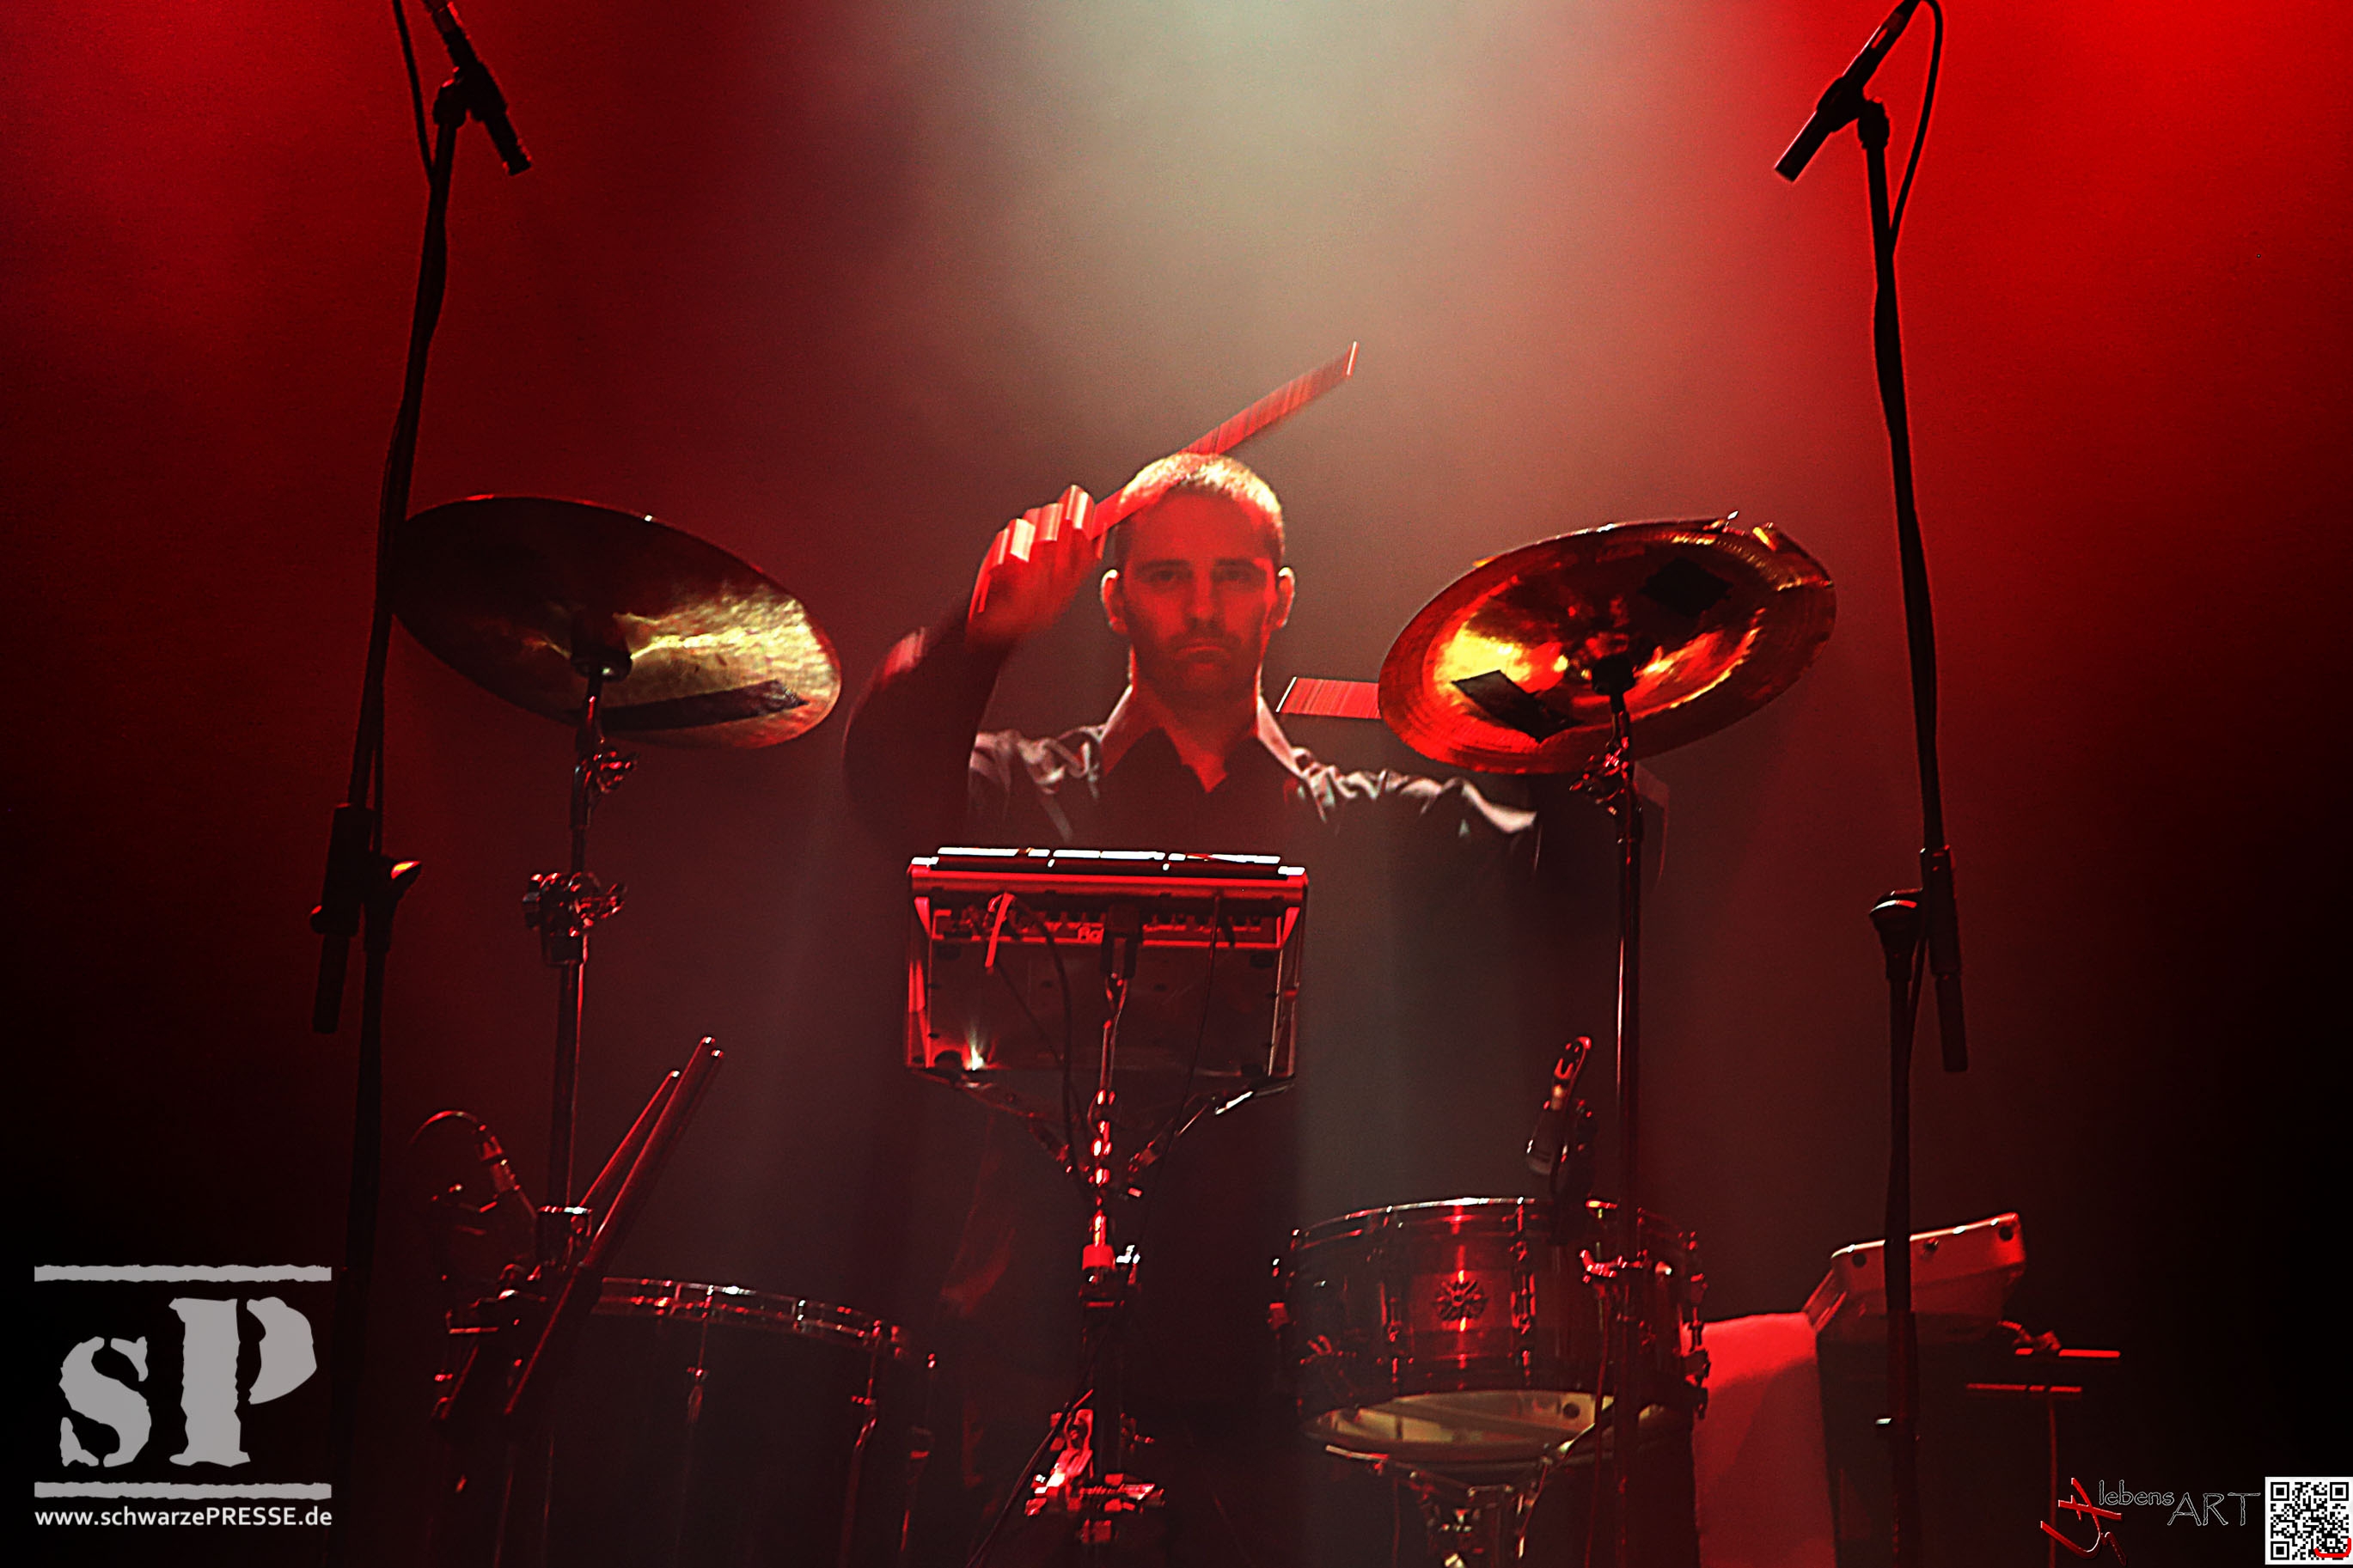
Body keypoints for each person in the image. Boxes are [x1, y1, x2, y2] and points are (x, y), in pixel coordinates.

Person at [845, 453, 1690, 1566]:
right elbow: (885, 784)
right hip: (1027, 1352)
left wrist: (1565, 689)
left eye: (1234, 576)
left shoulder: (1370, 821)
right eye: (1167, 576)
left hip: (1286, 1385)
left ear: (1279, 598)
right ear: (1114, 600)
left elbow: (1589, 872)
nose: (1202, 606)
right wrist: (980, 633)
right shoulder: (1023, 784)